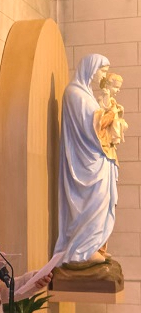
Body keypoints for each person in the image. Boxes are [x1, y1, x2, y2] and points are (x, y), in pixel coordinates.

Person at [54, 54, 117, 266]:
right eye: (102, 70)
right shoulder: (74, 93)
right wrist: (109, 114)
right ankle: (81, 251)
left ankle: (94, 246)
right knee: (92, 203)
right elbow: (91, 125)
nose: (104, 75)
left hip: (96, 157)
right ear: (90, 68)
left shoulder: (86, 93)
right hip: (84, 163)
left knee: (102, 202)